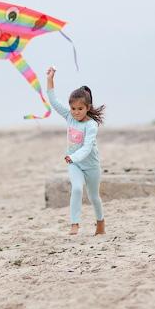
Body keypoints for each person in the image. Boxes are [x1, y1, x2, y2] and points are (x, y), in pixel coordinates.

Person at [46, 67, 105, 236]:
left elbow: (87, 148)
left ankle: (100, 222)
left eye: (80, 109)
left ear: (87, 108)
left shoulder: (91, 125)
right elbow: (53, 100)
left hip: (91, 165)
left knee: (94, 197)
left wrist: (73, 156)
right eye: (73, 108)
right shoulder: (69, 116)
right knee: (77, 189)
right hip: (75, 164)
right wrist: (50, 78)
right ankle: (75, 223)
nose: (76, 112)